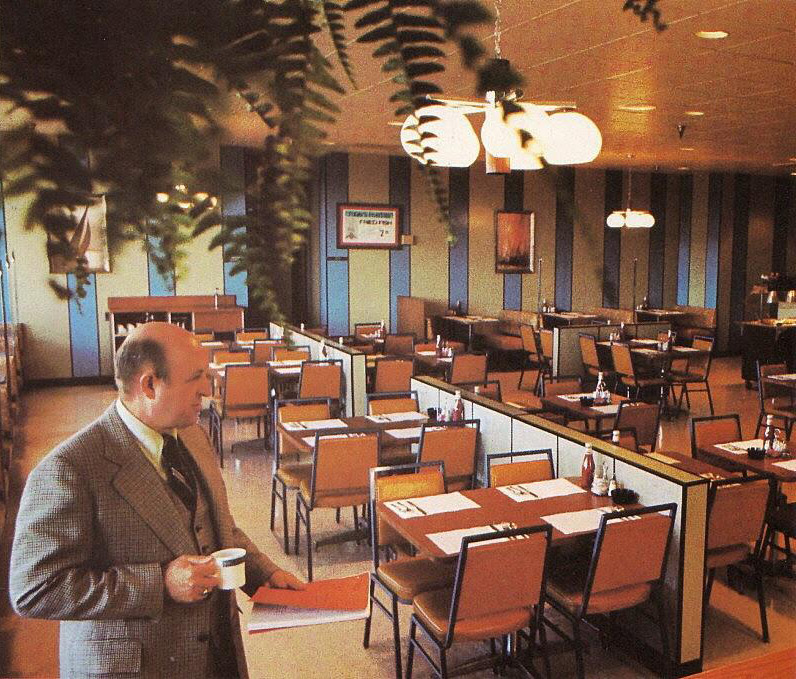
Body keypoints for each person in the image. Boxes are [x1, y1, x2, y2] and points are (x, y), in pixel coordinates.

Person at [9, 322, 304, 678]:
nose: (208, 390)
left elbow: (214, 523)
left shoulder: (192, 435)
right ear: (149, 385)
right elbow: (35, 588)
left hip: (215, 655)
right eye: (196, 378)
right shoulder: (69, 468)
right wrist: (159, 583)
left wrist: (261, 573)